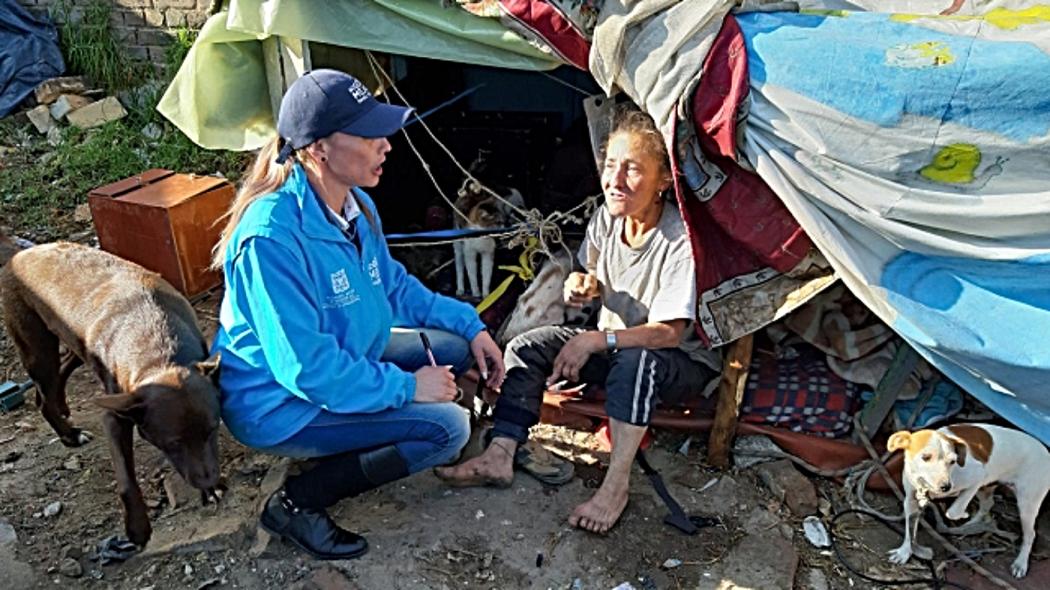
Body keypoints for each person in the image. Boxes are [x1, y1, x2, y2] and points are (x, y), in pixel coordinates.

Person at [210, 69, 505, 560]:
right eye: (368, 134)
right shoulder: (270, 238)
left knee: (454, 347)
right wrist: (410, 388)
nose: (386, 144)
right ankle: (296, 502)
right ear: (318, 148)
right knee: (446, 428)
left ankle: (365, 431)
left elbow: (394, 288)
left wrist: (473, 326)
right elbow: (307, 369)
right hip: (283, 403)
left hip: (347, 351)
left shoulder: (357, 205)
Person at [435, 106, 721, 534]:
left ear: (664, 180)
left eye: (632, 170)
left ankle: (615, 485)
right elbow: (591, 276)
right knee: (526, 347)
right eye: (610, 166)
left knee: (636, 361)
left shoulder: (677, 239)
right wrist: (581, 285)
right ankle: (501, 451)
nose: (615, 180)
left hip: (676, 359)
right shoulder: (608, 217)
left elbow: (669, 332)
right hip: (611, 343)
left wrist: (595, 341)